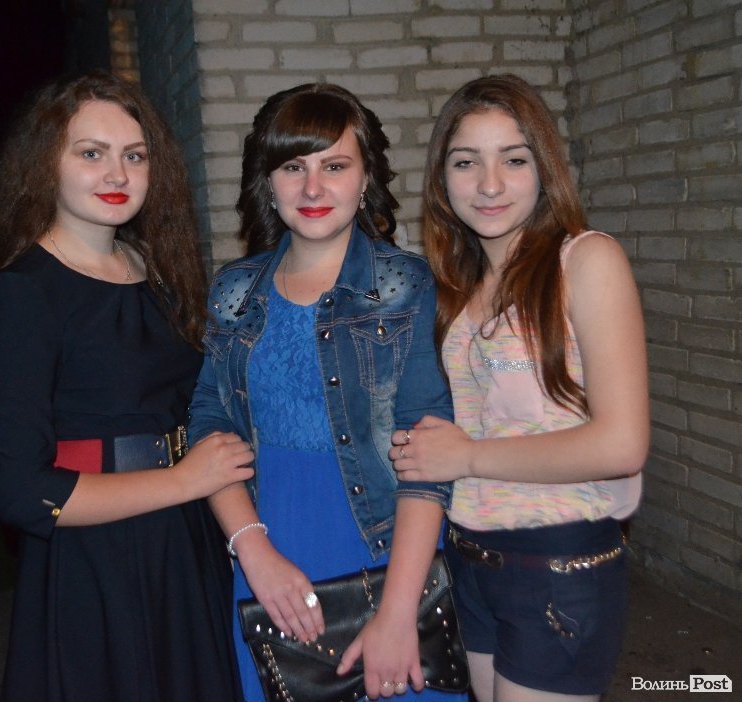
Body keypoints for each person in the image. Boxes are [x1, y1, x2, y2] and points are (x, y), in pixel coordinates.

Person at [0, 71, 254, 701]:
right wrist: (184, 481)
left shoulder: (156, 269)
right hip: (95, 558)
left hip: (184, 540)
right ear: (47, 163)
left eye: (135, 155)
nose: (117, 175)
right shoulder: (26, 292)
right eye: (91, 153)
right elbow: (22, 491)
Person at [187, 83, 467, 702]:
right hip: (267, 551)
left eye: (335, 166)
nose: (313, 189)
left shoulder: (406, 287)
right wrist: (252, 550)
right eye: (294, 167)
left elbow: (428, 455)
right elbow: (211, 424)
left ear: (365, 178)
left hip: (388, 554)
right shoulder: (234, 291)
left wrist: (398, 614)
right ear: (268, 181)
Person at [391, 74, 649, 702]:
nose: (489, 184)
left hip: (558, 564)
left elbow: (622, 445)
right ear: (441, 178)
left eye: (513, 159)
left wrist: (467, 456)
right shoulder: (459, 286)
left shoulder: (585, 261)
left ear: (544, 167)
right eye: (465, 162)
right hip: (472, 560)